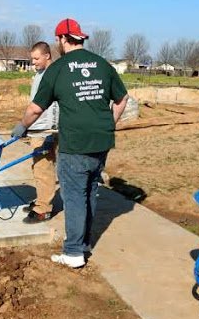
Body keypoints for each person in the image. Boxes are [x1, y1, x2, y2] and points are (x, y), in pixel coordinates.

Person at [12, 18, 129, 268]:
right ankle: (84, 243)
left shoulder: (57, 69)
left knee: (74, 196)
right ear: (80, 38)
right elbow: (122, 99)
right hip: (102, 140)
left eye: (58, 40)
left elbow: (35, 109)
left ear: (62, 39)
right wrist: (109, 123)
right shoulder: (102, 64)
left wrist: (22, 126)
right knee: (89, 191)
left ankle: (74, 252)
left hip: (75, 142)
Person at [23, 41, 59, 224]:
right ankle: (41, 200)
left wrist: (50, 134)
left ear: (47, 55)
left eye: (36, 58)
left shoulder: (52, 75)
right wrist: (27, 126)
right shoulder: (40, 73)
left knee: (43, 168)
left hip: (45, 129)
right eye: (32, 59)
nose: (33, 62)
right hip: (37, 127)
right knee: (38, 167)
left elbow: (52, 108)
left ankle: (44, 209)